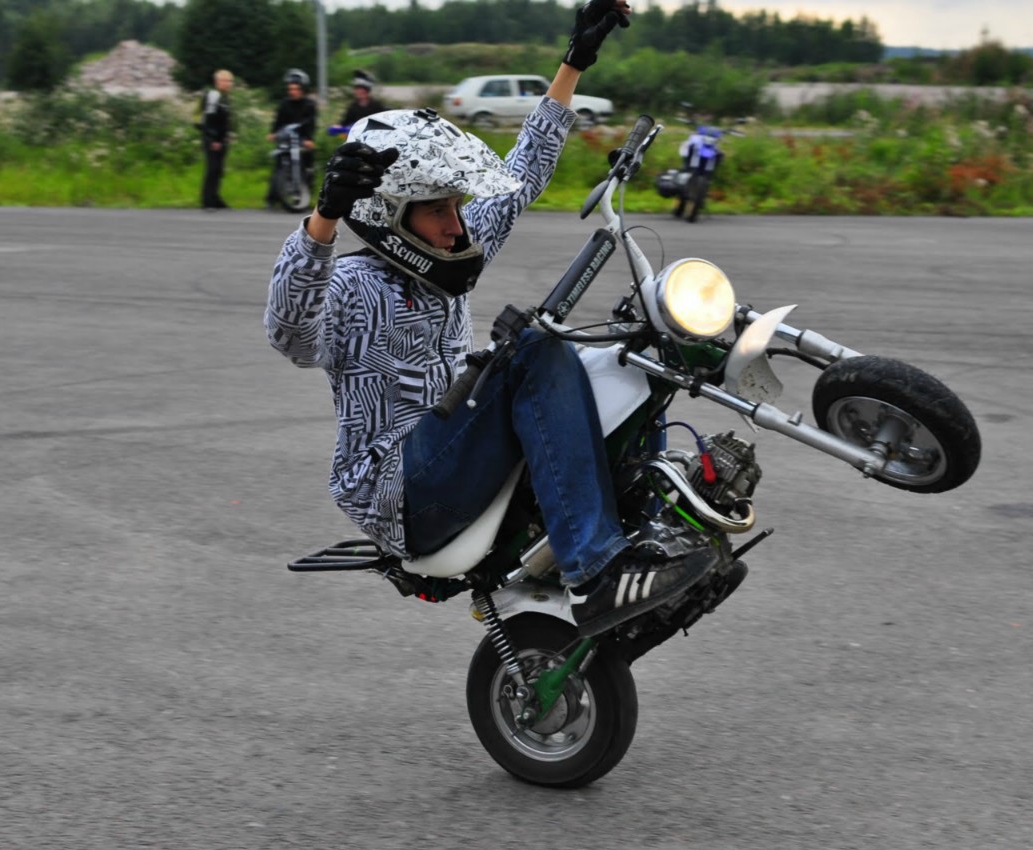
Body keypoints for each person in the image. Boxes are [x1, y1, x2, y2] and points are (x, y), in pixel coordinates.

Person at [264, 0, 712, 637]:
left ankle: (648, 532)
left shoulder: (444, 251)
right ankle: (595, 571)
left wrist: (573, 62)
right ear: (392, 216)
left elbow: (520, 175)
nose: (456, 225)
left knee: (620, 352)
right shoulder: (353, 287)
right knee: (531, 345)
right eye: (437, 211)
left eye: (455, 207)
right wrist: (323, 220)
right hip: (400, 491)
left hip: (453, 454)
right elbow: (289, 336)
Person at [267, 69, 319, 208]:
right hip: (286, 139)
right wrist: (273, 133)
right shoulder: (284, 104)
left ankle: (306, 195)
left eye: (296, 89)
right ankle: (272, 198)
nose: (293, 92)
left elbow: (311, 123)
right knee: (279, 165)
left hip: (302, 140)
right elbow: (278, 121)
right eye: (290, 89)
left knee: (308, 165)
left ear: (303, 89)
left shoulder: (309, 105)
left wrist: (309, 139)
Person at [199, 69, 234, 210]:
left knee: (219, 169)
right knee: (212, 169)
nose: (228, 83)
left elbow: (224, 119)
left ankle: (215, 197)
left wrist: (227, 134)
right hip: (213, 139)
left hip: (221, 139)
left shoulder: (224, 97)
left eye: (229, 81)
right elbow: (210, 118)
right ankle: (207, 200)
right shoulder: (213, 96)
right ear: (217, 82)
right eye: (225, 81)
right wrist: (213, 139)